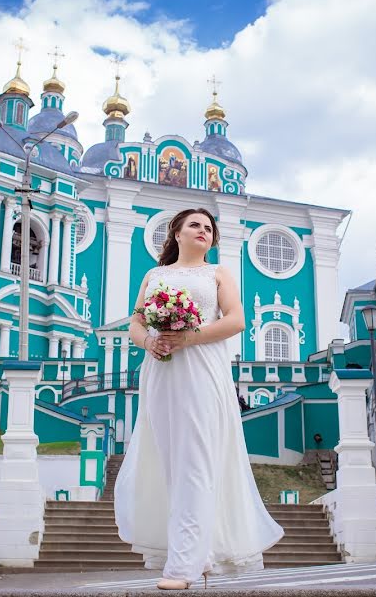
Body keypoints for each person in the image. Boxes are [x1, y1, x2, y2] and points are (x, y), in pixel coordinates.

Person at [115, 208, 284, 590]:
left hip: (203, 372)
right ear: (176, 232)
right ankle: (198, 552)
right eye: (195, 225)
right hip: (161, 372)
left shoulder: (218, 273)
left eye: (209, 228)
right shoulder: (154, 276)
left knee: (196, 461)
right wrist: (151, 341)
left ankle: (183, 568)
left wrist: (189, 337)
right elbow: (135, 323)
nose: (203, 231)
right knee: (170, 462)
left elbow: (237, 319)